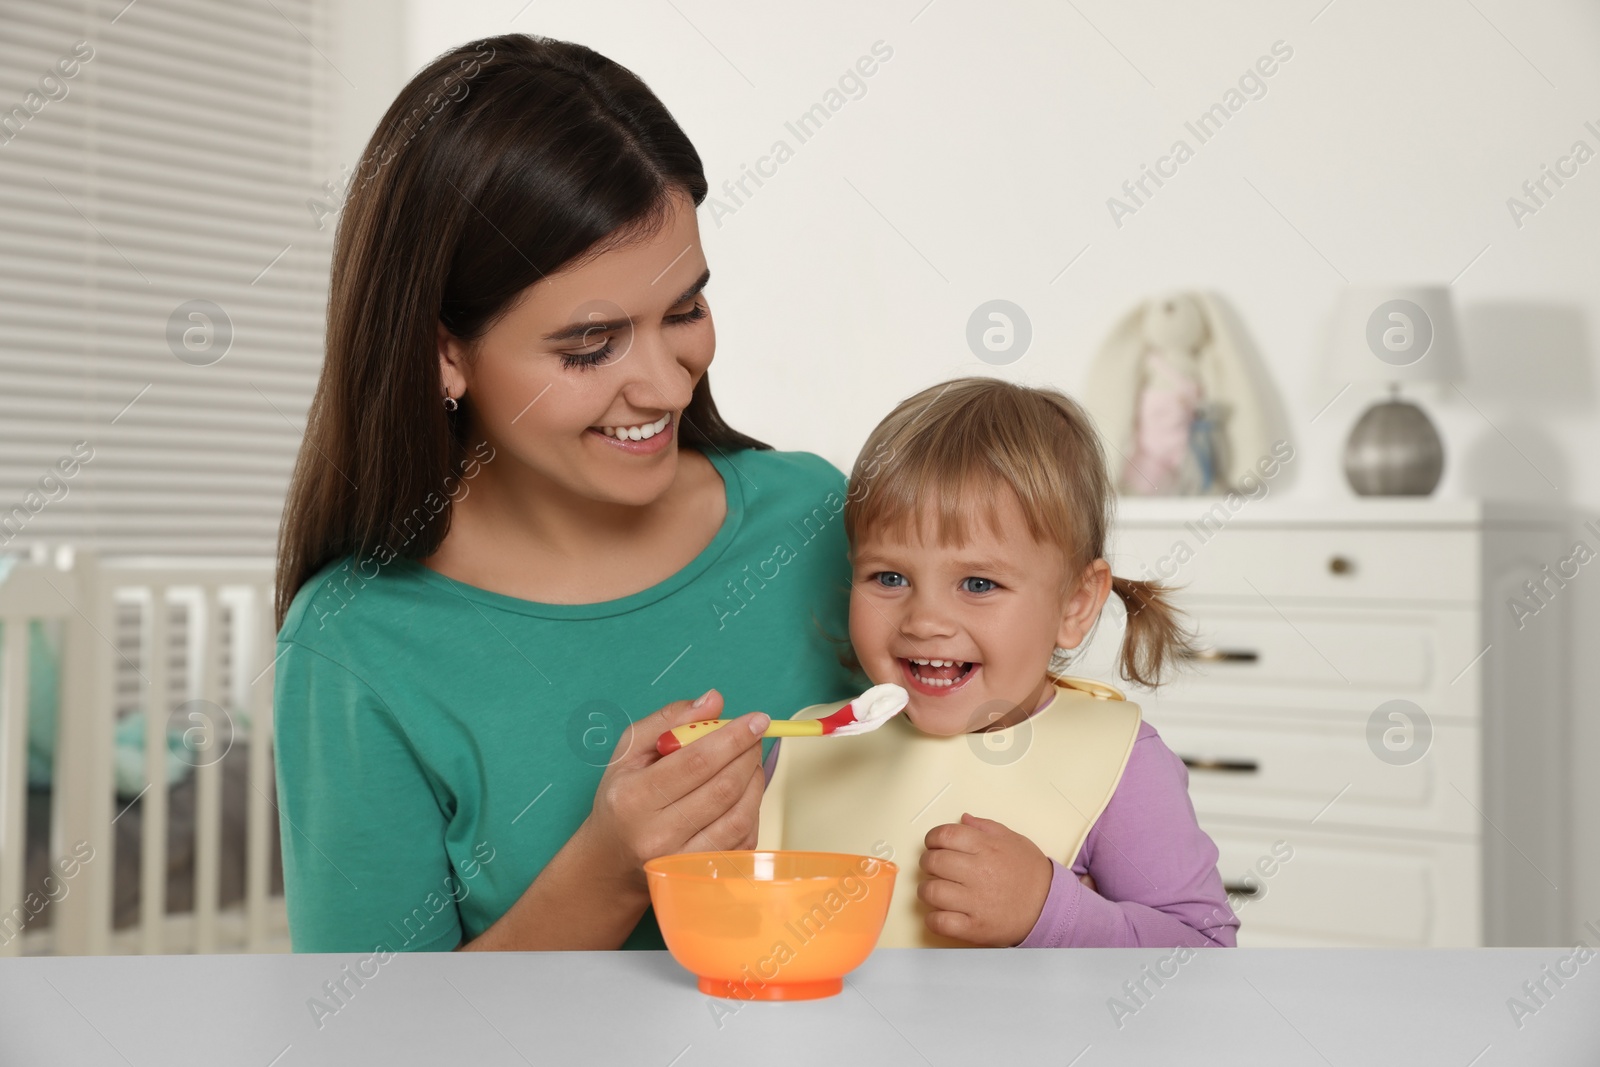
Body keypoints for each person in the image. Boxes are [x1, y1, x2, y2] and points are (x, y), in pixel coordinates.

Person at [271, 33, 866, 952]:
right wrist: (607, 872)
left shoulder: (815, 521)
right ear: (444, 351)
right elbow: (370, 1038)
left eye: (685, 311)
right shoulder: (356, 644)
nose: (668, 386)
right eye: (591, 345)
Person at [758, 377, 1240, 948]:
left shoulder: (1120, 763)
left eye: (978, 583)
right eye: (890, 578)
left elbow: (1205, 956)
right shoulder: (804, 745)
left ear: (1075, 604)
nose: (924, 620)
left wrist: (1050, 912)